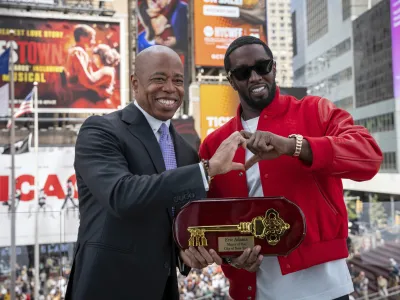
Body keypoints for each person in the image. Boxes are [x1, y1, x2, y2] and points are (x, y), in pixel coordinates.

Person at [198, 36, 383, 300]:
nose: (254, 77)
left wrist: (294, 147)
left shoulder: (315, 110)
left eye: (262, 67)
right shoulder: (215, 144)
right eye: (242, 72)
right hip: (254, 290)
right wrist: (231, 259)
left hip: (326, 287)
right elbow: (214, 223)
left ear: (274, 68)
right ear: (231, 80)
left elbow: (369, 156)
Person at [64, 45, 246, 300]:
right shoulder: (100, 130)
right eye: (159, 79)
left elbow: (177, 224)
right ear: (135, 83)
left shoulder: (185, 150)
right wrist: (207, 170)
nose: (170, 88)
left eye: (178, 80)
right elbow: (122, 195)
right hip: (105, 287)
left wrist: (191, 251)